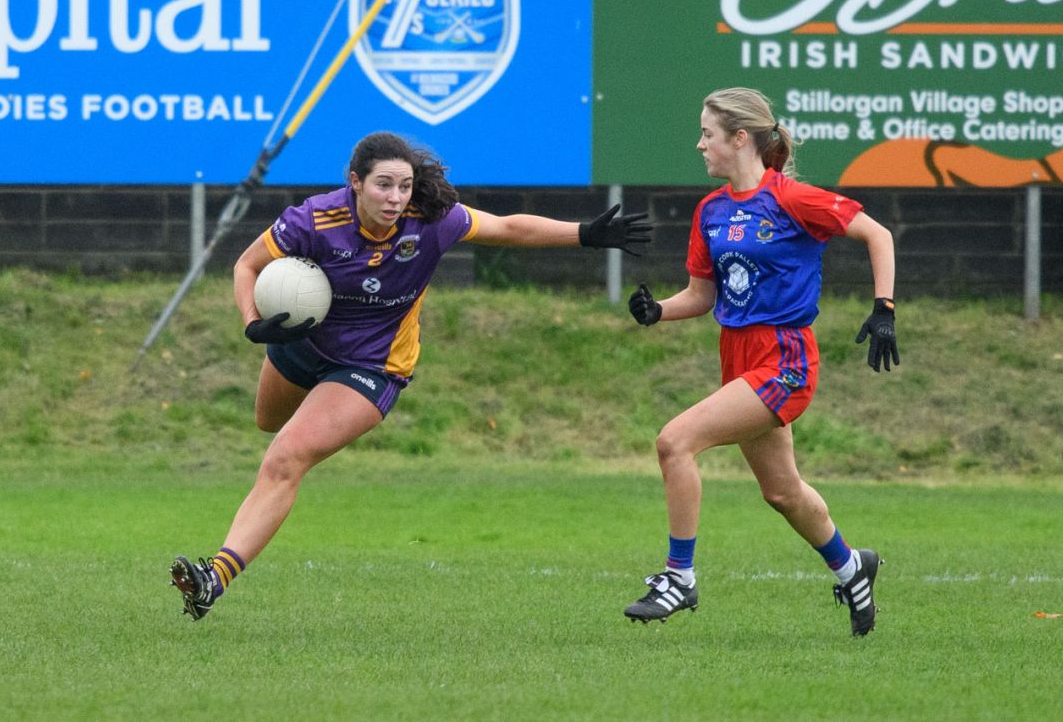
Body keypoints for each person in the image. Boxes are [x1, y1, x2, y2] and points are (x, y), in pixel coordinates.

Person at [169, 130, 651, 620]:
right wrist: (252, 322)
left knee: (285, 458)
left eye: (403, 186)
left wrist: (586, 234)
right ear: (354, 183)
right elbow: (247, 266)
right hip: (300, 343)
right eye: (383, 185)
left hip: (371, 366)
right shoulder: (314, 219)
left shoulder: (433, 221)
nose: (395, 198)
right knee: (268, 424)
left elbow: (508, 229)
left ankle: (216, 576)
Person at [621, 87, 899, 637]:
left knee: (674, 441)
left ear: (740, 138)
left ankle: (679, 577)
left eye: (707, 133)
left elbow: (877, 233)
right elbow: (703, 296)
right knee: (782, 492)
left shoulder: (792, 199)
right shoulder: (712, 211)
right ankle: (852, 567)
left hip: (785, 360)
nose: (699, 144)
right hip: (739, 358)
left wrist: (884, 308)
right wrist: (658, 312)